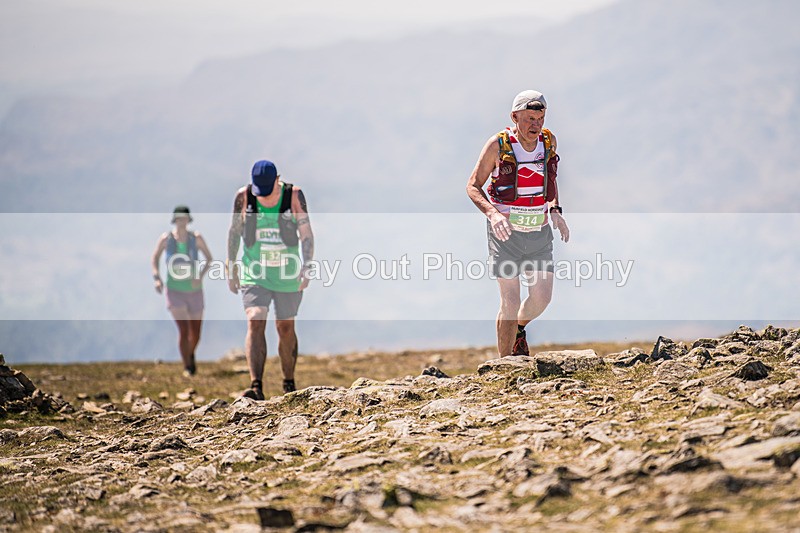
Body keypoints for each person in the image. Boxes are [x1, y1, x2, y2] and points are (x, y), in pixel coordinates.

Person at [466, 90, 570, 357]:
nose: (536, 125)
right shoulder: (498, 145)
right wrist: (493, 214)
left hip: (539, 231)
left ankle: (519, 331)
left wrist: (555, 209)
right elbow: (473, 186)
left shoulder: (548, 142)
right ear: (514, 117)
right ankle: (503, 368)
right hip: (506, 234)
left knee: (541, 299)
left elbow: (551, 179)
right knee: (510, 301)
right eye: (529, 119)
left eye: (541, 118)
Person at [226, 160, 314, 400]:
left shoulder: (293, 196)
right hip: (254, 272)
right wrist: (231, 266)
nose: (262, 196)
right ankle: (256, 387)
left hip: (287, 273)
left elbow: (306, 234)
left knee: (285, 327)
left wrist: (306, 266)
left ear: (277, 180)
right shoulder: (244, 197)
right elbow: (234, 232)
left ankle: (288, 383)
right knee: (255, 318)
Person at [151, 206, 213, 376]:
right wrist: (157, 278)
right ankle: (188, 366)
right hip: (174, 290)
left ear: (188, 220)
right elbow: (155, 258)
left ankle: (190, 353)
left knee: (196, 333)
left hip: (194, 290)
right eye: (178, 219)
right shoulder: (166, 239)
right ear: (175, 220)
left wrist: (200, 276)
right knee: (184, 330)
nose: (181, 222)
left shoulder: (196, 238)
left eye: (184, 218)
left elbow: (209, 258)